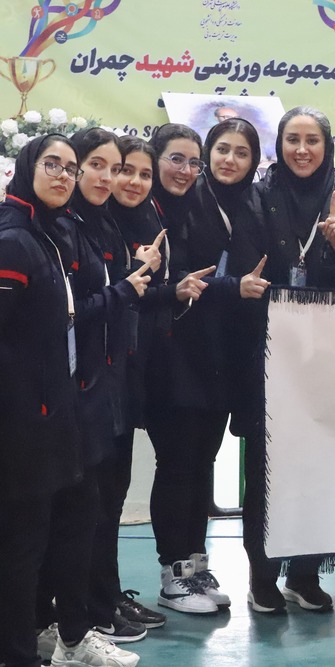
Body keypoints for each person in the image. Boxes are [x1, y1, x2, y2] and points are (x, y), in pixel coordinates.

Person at [0, 134, 139, 667]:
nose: (63, 175)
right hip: (25, 422)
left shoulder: (48, 233)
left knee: (57, 532)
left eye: (69, 168)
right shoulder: (15, 240)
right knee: (23, 548)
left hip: (56, 413)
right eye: (52, 165)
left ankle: (55, 639)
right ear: (28, 168)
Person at [244, 106, 335, 614]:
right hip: (269, 355)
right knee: (265, 470)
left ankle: (305, 574)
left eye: (312, 140)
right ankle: (262, 576)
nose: (302, 150)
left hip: (330, 358)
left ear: (328, 146)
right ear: (280, 145)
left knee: (320, 466)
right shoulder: (259, 195)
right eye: (292, 140)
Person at [48, 128, 159, 648]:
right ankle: (79, 615)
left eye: (117, 169)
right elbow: (70, 312)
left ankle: (103, 599)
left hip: (109, 383)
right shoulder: (62, 227)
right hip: (75, 389)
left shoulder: (104, 222)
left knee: (105, 502)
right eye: (98, 165)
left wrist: (140, 281)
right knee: (78, 511)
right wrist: (127, 287)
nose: (110, 178)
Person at [143, 123, 227, 615]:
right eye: (176, 159)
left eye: (194, 162)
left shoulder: (203, 206)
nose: (186, 170)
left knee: (202, 461)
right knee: (175, 463)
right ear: (155, 159)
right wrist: (172, 288)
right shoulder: (142, 211)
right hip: (164, 358)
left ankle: (195, 565)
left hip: (207, 354)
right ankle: (172, 572)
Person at [106, 136, 172, 629]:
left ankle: (106, 593)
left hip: (130, 376)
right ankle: (89, 602)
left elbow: (144, 299)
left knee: (114, 489)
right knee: (94, 499)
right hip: (96, 380)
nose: (134, 181)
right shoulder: (93, 223)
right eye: (124, 170)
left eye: (144, 174)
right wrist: (135, 271)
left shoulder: (149, 221)